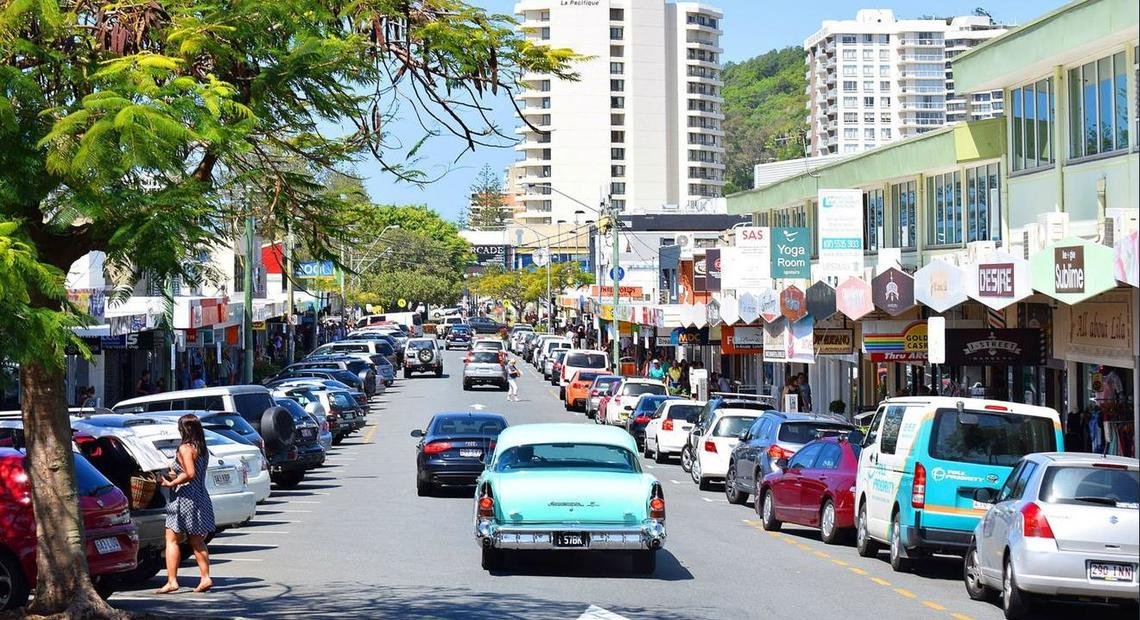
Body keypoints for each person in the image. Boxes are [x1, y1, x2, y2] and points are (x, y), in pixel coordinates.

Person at [157, 414, 215, 594]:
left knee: (172, 539)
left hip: (184, 498)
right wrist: (176, 473)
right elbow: (191, 472)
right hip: (200, 496)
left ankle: (172, 581)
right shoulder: (202, 448)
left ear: (185, 429)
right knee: (197, 541)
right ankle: (205, 577)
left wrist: (170, 483)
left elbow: (190, 474)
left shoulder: (185, 448)